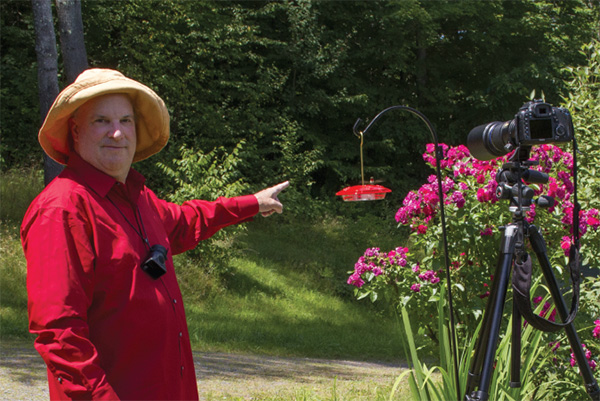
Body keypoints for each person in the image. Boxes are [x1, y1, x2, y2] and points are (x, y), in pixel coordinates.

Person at [20, 68, 289, 400]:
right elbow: (59, 334)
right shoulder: (62, 210)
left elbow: (188, 219)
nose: (117, 133)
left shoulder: (139, 199)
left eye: (126, 121)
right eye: (101, 121)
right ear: (75, 131)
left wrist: (252, 203)